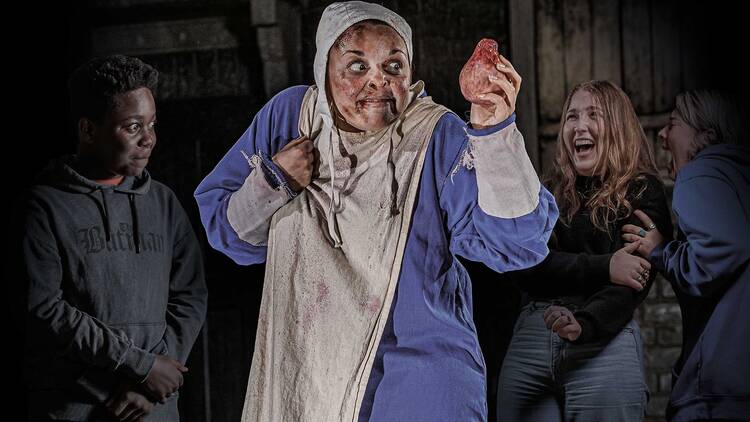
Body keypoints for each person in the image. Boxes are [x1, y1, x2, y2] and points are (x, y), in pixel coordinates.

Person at [194, 1, 557, 420]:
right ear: (323, 69)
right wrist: (275, 181)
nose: (377, 82)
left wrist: (494, 135)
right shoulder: (294, 116)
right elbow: (229, 233)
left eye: (393, 66)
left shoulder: (434, 134)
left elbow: (516, 244)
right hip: (313, 375)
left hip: (418, 376)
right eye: (356, 66)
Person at [20, 55, 208, 421]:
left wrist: (155, 380)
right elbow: (43, 310)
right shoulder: (44, 206)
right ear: (89, 131)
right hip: (75, 408)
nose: (148, 140)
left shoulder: (164, 203)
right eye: (133, 126)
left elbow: (191, 293)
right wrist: (139, 367)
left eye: (152, 124)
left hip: (153, 408)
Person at [496, 80, 673, 421]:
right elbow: (527, 265)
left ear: (618, 127)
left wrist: (583, 324)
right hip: (533, 336)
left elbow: (631, 281)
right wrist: (606, 266)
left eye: (594, 115)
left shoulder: (642, 190)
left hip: (602, 342)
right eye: (572, 116)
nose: (580, 126)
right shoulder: (545, 191)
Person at [620, 89, 750, 421]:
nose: (662, 135)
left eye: (674, 122)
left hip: (720, 393)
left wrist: (661, 250)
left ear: (705, 137)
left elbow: (722, 251)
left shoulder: (701, 172)